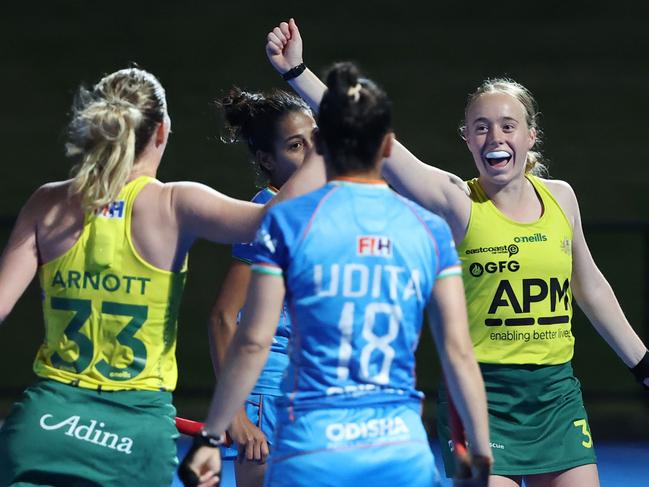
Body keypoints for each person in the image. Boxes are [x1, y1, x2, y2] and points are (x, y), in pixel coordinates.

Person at [264, 19, 649, 487]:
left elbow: (589, 286)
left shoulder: (561, 198)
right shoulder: (457, 201)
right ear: (467, 139)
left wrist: (643, 364)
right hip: (482, 395)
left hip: (555, 393)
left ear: (530, 138)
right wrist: (297, 72)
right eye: (481, 128)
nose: (496, 138)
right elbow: (367, 135)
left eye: (509, 126)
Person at [179, 60, 492, 487]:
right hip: (397, 449)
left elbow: (251, 341)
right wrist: (481, 451)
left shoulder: (286, 223)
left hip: (312, 447)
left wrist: (213, 435)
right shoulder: (428, 230)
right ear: (387, 146)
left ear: (321, 143)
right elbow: (457, 352)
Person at [0, 67, 316, 486]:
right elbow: (272, 218)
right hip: (134, 433)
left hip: (46, 425)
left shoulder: (46, 201)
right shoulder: (175, 203)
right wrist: (328, 147)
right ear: (163, 132)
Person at [207, 87, 315, 487]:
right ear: (268, 160)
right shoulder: (267, 212)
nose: (312, 152)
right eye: (295, 145)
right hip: (268, 397)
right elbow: (221, 317)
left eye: (315, 139)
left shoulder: (320, 209)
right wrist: (235, 414)